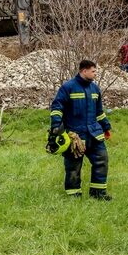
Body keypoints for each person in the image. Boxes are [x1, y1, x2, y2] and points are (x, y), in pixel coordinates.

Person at [49, 60, 112, 200]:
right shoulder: (68, 87)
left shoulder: (95, 89)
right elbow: (57, 108)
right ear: (84, 71)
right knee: (73, 167)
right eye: (93, 71)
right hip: (75, 136)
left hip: (94, 134)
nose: (95, 74)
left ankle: (98, 194)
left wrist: (106, 127)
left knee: (102, 160)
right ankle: (74, 196)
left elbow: (99, 112)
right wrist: (55, 127)